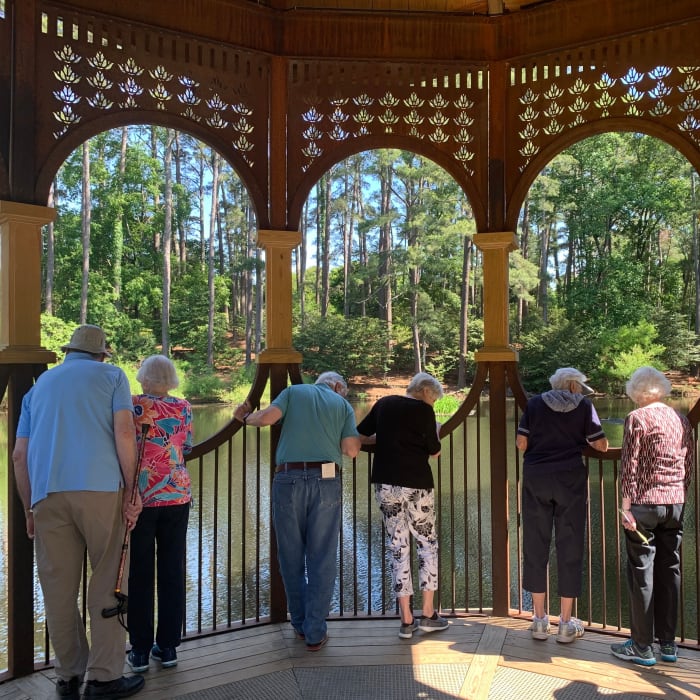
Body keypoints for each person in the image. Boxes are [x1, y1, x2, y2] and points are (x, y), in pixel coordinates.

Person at [12, 324, 145, 700]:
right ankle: (103, 679)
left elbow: (19, 456)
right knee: (107, 581)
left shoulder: (37, 390)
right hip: (101, 489)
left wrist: (28, 508)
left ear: (69, 352)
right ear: (102, 354)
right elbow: (123, 434)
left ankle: (68, 675)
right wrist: (132, 490)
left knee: (57, 588)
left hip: (46, 495)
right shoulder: (112, 376)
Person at [233, 371, 361, 651]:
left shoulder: (294, 392)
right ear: (338, 386)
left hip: (288, 479)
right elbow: (351, 450)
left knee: (290, 556)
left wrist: (243, 417)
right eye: (345, 391)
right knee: (322, 557)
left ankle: (299, 623)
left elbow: (266, 418)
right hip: (326, 481)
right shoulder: (342, 406)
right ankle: (315, 632)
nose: (344, 395)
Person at [516, 367, 608, 644]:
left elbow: (522, 443)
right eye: (579, 385)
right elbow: (601, 445)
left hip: (536, 479)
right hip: (570, 480)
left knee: (535, 545)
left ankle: (540, 620)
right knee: (570, 546)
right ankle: (566, 624)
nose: (581, 390)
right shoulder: (585, 406)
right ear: (572, 386)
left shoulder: (534, 404)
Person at [610, 366, 694, 667]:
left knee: (641, 572)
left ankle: (642, 647)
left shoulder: (637, 418)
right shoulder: (680, 419)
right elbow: (689, 463)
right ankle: (668, 645)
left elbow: (629, 467)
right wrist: (678, 496)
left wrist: (626, 507)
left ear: (638, 392)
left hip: (644, 506)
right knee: (670, 569)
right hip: (675, 504)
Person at [356, 372, 448, 639]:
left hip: (385, 483)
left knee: (398, 546)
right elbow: (434, 450)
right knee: (426, 545)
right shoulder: (424, 412)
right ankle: (429, 613)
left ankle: (406, 619)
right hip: (417, 485)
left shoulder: (384, 404)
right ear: (428, 394)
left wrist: (382, 441)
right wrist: (437, 429)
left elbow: (360, 435)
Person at [126, 355, 193, 674]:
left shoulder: (135, 404)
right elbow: (188, 446)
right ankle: (167, 647)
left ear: (145, 378)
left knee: (140, 572)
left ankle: (139, 650)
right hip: (178, 494)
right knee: (172, 569)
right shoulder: (184, 407)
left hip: (142, 496)